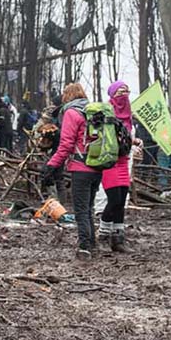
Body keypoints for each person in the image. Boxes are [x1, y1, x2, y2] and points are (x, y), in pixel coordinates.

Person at [43, 83, 102, 257]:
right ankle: (92, 243)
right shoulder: (93, 112)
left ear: (67, 95)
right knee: (89, 207)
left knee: (81, 210)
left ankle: (84, 246)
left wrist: (51, 165)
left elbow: (66, 145)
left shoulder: (71, 113)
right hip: (97, 166)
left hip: (80, 167)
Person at [99, 81, 140, 253]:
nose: (124, 95)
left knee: (122, 201)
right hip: (110, 161)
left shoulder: (129, 114)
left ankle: (118, 238)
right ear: (112, 94)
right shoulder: (106, 111)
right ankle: (103, 235)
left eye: (126, 91)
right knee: (113, 200)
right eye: (120, 92)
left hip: (124, 161)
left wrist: (134, 142)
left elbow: (127, 136)